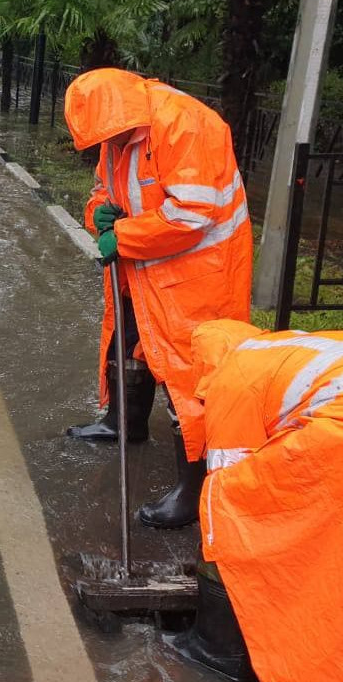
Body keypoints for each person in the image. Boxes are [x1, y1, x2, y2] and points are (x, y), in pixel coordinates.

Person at [62, 68, 253, 528]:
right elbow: (102, 195)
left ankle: (194, 492)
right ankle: (123, 422)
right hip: (146, 265)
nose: (109, 143)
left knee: (190, 380)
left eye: (114, 134)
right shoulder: (117, 134)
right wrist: (99, 216)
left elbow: (192, 214)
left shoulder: (188, 124)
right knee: (126, 341)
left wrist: (122, 236)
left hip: (199, 277)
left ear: (127, 113)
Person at [170, 319, 343, 682]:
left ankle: (216, 647)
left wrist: (220, 549)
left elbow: (226, 484)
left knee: (234, 505)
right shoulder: (304, 345)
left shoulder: (231, 377)